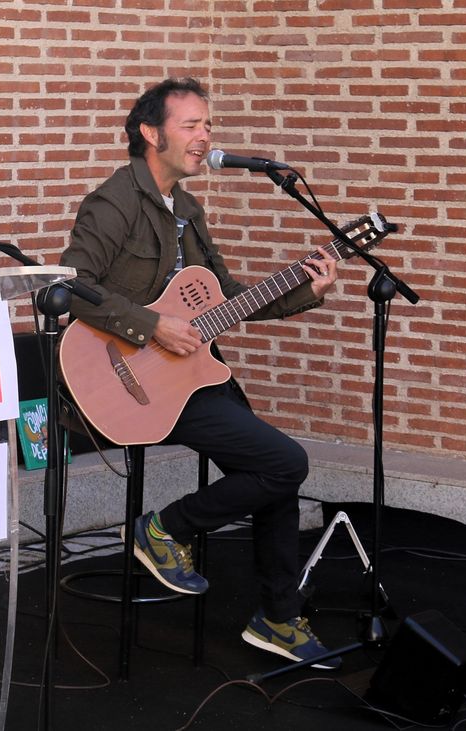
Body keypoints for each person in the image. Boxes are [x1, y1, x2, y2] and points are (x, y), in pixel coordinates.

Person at [59, 77, 344, 669]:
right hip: (131, 380)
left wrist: (305, 290)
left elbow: (226, 298)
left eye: (207, 125)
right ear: (150, 133)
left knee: (273, 469)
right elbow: (70, 288)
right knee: (286, 461)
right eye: (191, 125)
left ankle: (278, 618)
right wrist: (149, 326)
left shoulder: (188, 210)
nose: (205, 136)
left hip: (191, 374)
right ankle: (163, 530)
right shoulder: (113, 203)